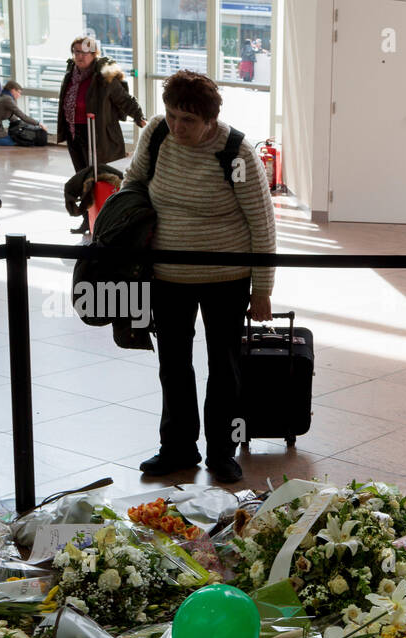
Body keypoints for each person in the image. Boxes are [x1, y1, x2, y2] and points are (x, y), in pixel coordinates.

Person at [125, 70, 275, 485]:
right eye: (172, 115)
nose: (177, 126)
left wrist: (262, 290)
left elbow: (262, 225)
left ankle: (222, 452)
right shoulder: (156, 135)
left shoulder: (236, 152)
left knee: (224, 367)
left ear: (210, 120)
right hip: (167, 275)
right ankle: (177, 448)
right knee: (173, 365)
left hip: (225, 277)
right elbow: (133, 183)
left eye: (188, 120)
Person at [56, 35, 145, 234]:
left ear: (94, 54)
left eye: (84, 52)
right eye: (76, 52)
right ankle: (88, 220)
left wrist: (139, 118)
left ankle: (107, 221)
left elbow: (123, 99)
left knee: (99, 178)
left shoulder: (104, 75)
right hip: (75, 132)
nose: (79, 56)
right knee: (82, 178)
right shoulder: (71, 73)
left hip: (98, 135)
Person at [0, 80, 45, 145]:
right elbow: (22, 115)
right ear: (13, 90)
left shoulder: (2, 96)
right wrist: (38, 124)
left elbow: (13, 118)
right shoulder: (7, 99)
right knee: (13, 141)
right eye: (19, 92)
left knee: (12, 138)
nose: (20, 95)